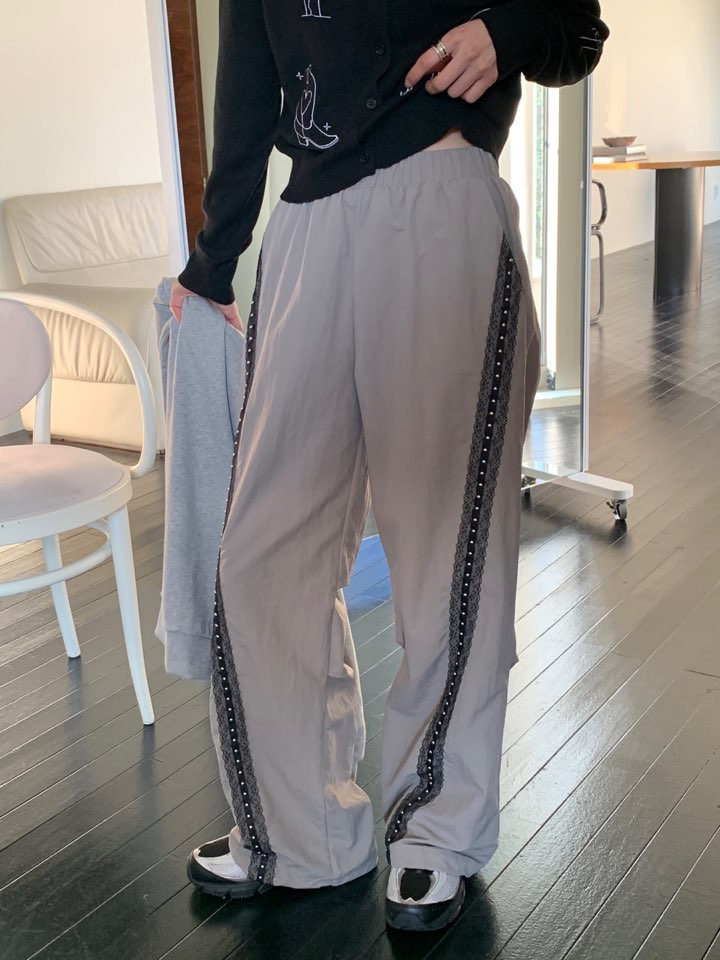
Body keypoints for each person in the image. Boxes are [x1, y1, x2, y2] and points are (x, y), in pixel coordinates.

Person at [172, 0, 609, 934]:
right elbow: (246, 83)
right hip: (305, 224)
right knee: (263, 550)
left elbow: (578, 27)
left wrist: (507, 32)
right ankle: (300, 831)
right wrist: (214, 260)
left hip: (440, 190)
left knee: (446, 550)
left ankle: (435, 833)